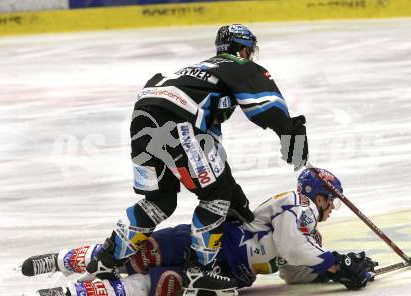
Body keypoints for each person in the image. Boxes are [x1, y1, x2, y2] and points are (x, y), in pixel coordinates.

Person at [80, 24, 309, 295]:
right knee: (215, 197)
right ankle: (199, 273)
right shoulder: (239, 65)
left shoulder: (200, 76)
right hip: (177, 119)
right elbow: (267, 105)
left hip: (144, 114)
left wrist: (232, 191)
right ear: (245, 49)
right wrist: (291, 133)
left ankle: (106, 262)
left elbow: (209, 149)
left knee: (159, 200)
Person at [21, 168, 376, 296]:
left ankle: (71, 293)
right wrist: (336, 263)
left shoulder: (311, 236)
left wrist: (335, 273)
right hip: (211, 242)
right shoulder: (298, 204)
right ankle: (61, 261)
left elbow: (291, 269)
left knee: (147, 284)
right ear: (320, 195)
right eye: (332, 201)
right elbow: (291, 246)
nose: (332, 208)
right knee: (130, 257)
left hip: (225, 274)